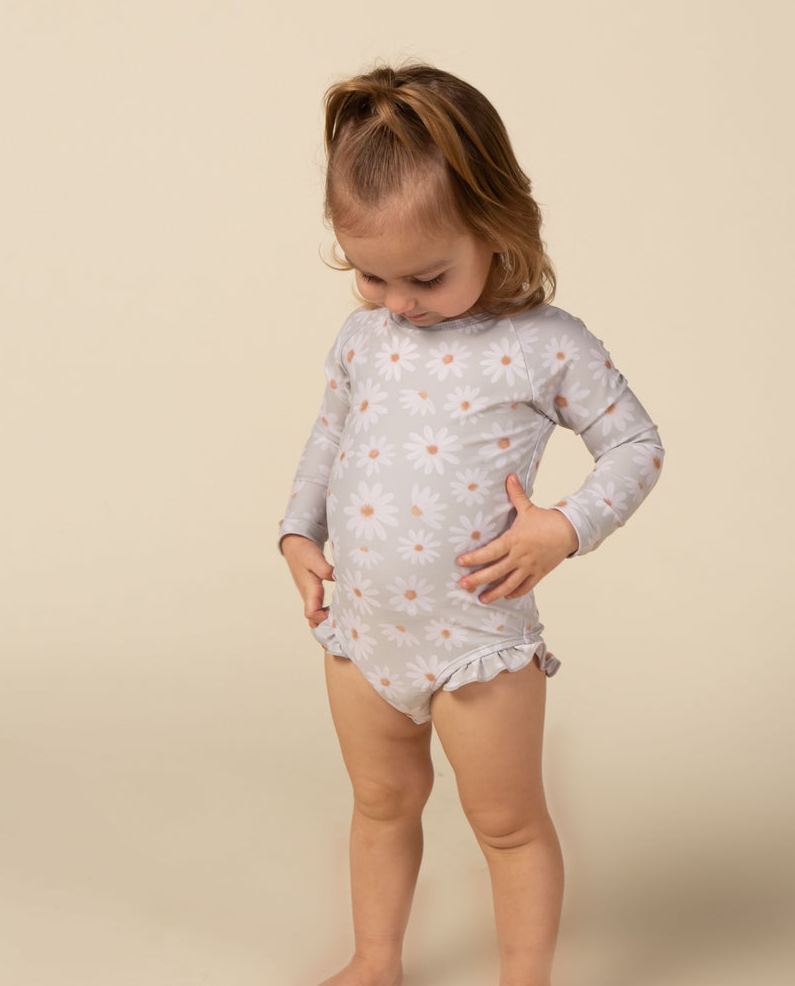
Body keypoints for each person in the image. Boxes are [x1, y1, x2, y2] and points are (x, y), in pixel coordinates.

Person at [279, 63, 664, 986]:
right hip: (361, 631)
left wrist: (565, 528)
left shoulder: (545, 344)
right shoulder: (363, 338)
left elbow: (636, 445)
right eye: (371, 274)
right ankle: (376, 958)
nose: (398, 300)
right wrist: (297, 534)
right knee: (380, 804)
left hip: (474, 638)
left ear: (496, 229)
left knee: (507, 823)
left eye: (426, 275)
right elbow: (328, 439)